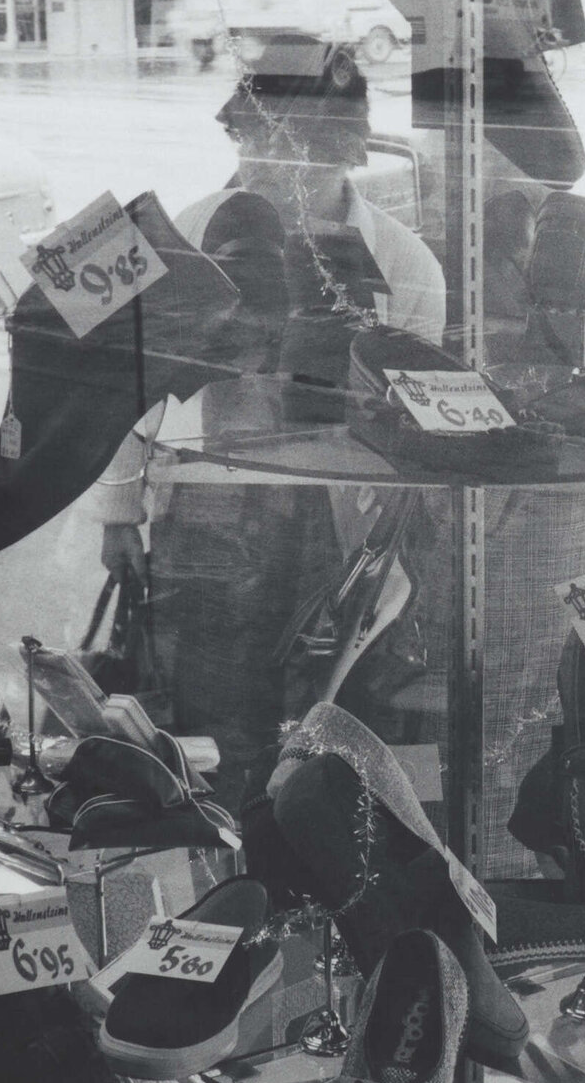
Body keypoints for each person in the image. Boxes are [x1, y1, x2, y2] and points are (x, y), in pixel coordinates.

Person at [88, 40, 445, 805]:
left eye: (292, 149)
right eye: (249, 140)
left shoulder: (406, 263)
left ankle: (312, 876)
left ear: (341, 155)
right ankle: (228, 874)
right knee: (217, 731)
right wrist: (119, 509)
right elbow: (127, 377)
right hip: (207, 512)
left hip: (340, 518)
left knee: (328, 733)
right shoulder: (189, 229)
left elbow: (419, 422)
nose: (262, 166)